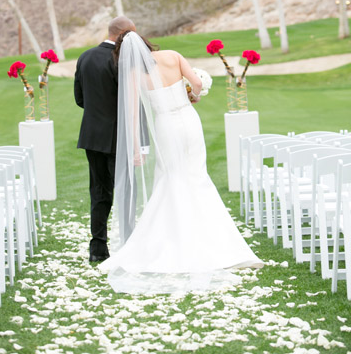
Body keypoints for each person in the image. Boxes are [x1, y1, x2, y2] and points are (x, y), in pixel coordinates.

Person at [99, 31, 263, 294]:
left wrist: (134, 149)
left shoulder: (133, 75)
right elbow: (196, 83)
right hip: (189, 121)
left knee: (171, 179)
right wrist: (193, 96)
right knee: (197, 176)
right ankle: (218, 244)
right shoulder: (173, 56)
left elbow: (131, 115)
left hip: (166, 126)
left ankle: (172, 240)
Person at [74, 15, 136, 262]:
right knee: (125, 192)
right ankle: (129, 245)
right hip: (117, 137)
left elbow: (80, 99)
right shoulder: (120, 58)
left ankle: (98, 248)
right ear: (123, 34)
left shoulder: (85, 56)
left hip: (91, 136)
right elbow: (129, 102)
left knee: (99, 192)